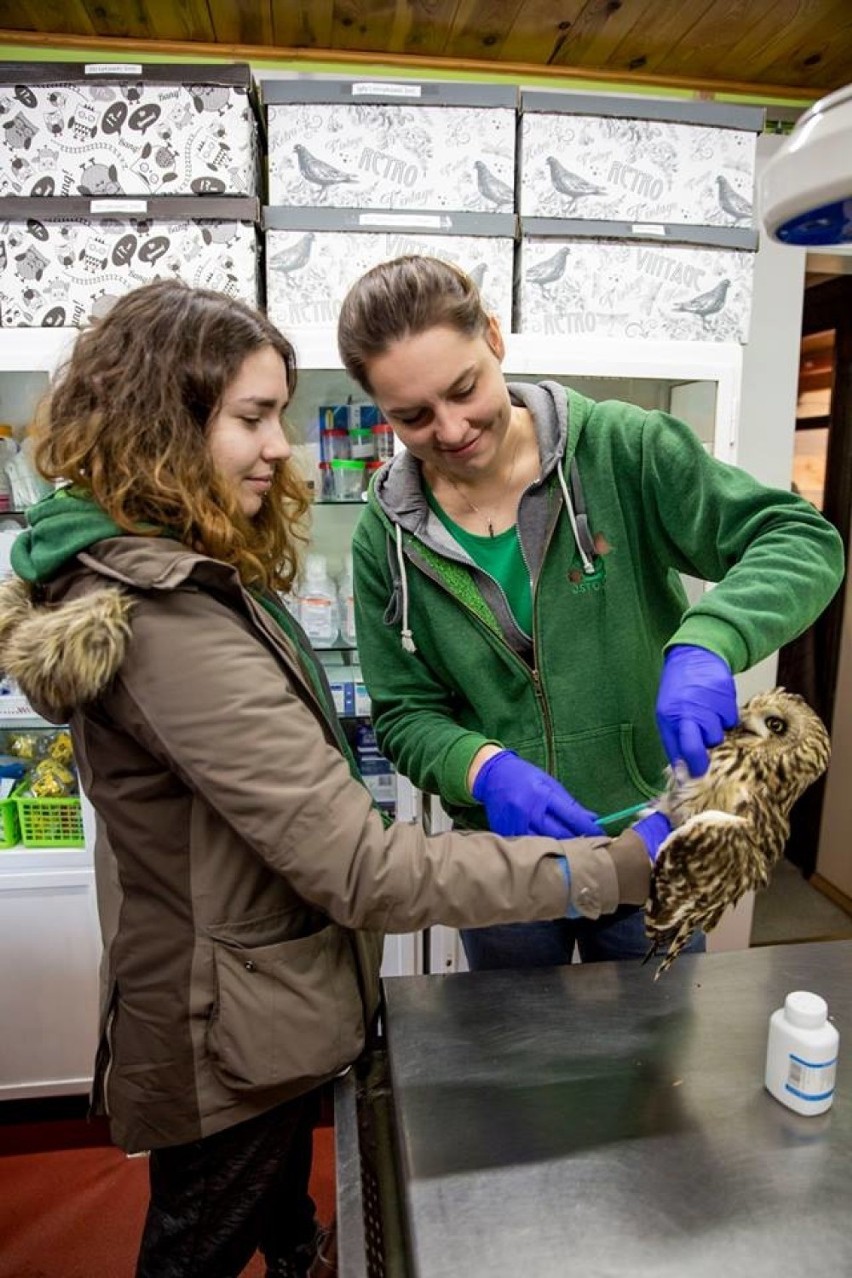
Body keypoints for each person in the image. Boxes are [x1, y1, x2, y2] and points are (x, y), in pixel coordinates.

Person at [0, 279, 667, 1278]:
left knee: (277, 1215)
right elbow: (362, 869)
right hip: (231, 1035)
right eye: (255, 417)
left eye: (285, 416)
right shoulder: (171, 623)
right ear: (161, 424)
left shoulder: (176, 572)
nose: (283, 446)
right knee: (199, 1243)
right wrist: (607, 868)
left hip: (252, 1004)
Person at [336, 254, 845, 973]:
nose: (450, 431)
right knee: (515, 1057)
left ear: (493, 336)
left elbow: (800, 540)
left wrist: (707, 641)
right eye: (412, 417)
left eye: (464, 389)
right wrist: (482, 769)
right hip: (506, 866)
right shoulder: (383, 537)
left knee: (652, 1055)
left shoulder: (622, 450)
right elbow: (402, 712)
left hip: (654, 833)